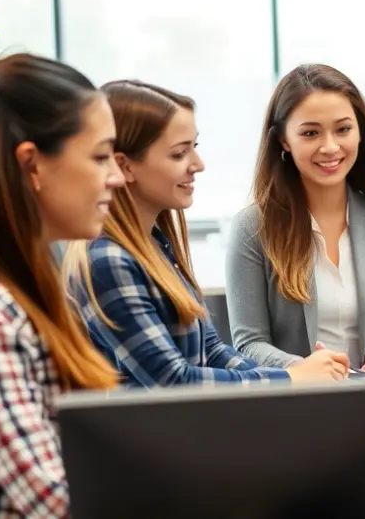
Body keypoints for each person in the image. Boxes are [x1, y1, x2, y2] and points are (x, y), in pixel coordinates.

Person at [0, 27, 123, 516]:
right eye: (100, 156)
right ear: (32, 165)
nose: (117, 176)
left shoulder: (16, 284)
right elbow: (60, 501)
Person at [66, 80, 346, 387]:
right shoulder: (108, 261)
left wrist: (295, 373)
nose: (197, 165)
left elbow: (210, 351)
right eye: (179, 154)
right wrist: (290, 378)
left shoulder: (155, 246)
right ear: (125, 166)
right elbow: (173, 381)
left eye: (194, 148)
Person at [227, 64, 365, 372]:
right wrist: (304, 369)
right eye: (310, 133)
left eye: (343, 129)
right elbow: (247, 343)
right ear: (284, 140)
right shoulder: (252, 228)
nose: (330, 146)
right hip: (296, 406)